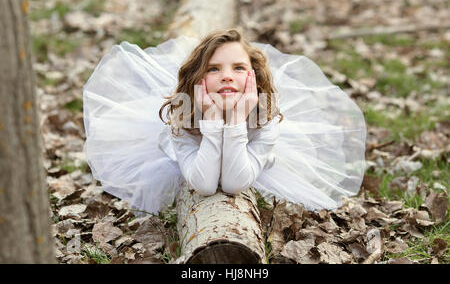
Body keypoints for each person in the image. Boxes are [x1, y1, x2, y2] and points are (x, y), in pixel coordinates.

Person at [83, 28, 366, 217]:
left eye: (238, 68)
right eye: (214, 69)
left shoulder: (264, 119)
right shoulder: (182, 120)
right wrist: (214, 119)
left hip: (247, 154)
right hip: (196, 145)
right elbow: (205, 185)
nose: (227, 76)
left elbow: (234, 184)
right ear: (198, 78)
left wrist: (237, 119)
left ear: (252, 77)